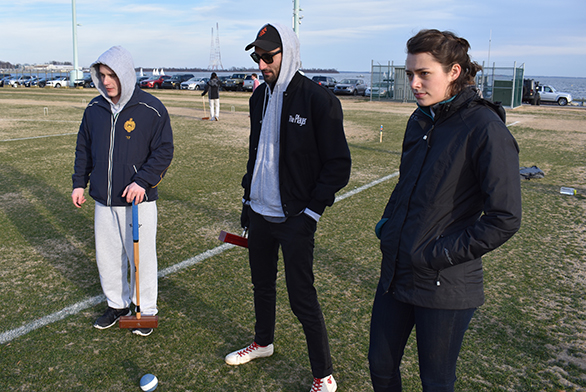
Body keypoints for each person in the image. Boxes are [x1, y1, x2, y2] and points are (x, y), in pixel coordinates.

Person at [368, 29, 522, 391]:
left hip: (445, 282)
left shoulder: (484, 127)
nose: (414, 83)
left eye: (424, 73)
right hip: (397, 271)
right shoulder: (419, 119)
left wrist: (437, 254)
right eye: (409, 74)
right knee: (380, 365)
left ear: (454, 71)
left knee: (436, 381)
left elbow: (505, 217)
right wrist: (388, 225)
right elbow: (406, 182)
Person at [224, 24, 351, 392]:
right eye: (257, 57)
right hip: (260, 214)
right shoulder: (256, 98)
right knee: (261, 285)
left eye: (268, 57)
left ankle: (323, 376)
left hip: (296, 217)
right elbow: (256, 157)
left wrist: (311, 212)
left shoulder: (318, 101)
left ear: (289, 54)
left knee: (302, 297)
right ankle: (263, 343)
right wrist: (248, 202)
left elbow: (338, 165)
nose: (261, 64)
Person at [71, 46, 173, 337]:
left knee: (141, 259)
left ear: (125, 74)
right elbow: (83, 149)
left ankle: (145, 308)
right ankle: (117, 305)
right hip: (103, 200)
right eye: (101, 75)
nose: (106, 82)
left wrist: (142, 182)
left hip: (137, 202)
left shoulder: (152, 109)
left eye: (111, 75)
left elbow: (164, 151)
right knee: (107, 256)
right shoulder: (94, 109)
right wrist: (80, 183)